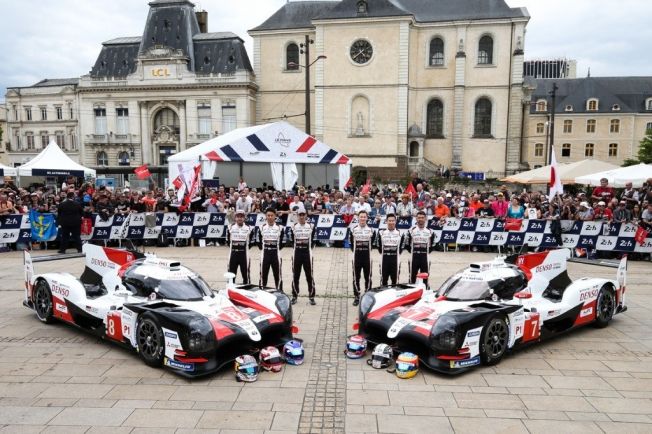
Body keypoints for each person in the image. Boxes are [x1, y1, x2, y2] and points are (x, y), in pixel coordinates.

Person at [287, 210, 317, 305]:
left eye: (303, 215)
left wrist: (308, 249)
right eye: (300, 215)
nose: (301, 217)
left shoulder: (311, 226)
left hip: (307, 253)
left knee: (309, 275)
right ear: (297, 216)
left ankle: (311, 296)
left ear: (306, 216)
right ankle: (294, 296)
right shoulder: (293, 227)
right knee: (296, 275)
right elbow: (291, 240)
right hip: (297, 253)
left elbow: (313, 240)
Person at [347, 210, 376, 306]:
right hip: (357, 256)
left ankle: (367, 298)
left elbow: (372, 244)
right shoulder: (353, 229)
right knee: (356, 277)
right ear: (358, 218)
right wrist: (356, 251)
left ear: (367, 218)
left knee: (368, 277)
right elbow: (351, 244)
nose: (363, 218)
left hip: (367, 256)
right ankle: (357, 296)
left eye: (364, 217)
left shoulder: (371, 230)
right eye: (361, 217)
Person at [256, 208, 284, 290]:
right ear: (266, 216)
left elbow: (283, 241)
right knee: (263, 275)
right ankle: (261, 293)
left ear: (275, 216)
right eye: (268, 215)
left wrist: (276, 248)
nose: (270, 217)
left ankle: (279, 293)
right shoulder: (261, 227)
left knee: (277, 275)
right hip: (265, 254)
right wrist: (265, 248)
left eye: (272, 215)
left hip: (276, 254)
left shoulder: (280, 227)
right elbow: (258, 241)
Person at [404, 210, 434, 285]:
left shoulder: (430, 231)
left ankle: (424, 292)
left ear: (425, 219)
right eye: (419, 218)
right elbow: (407, 244)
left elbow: (432, 245)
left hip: (425, 257)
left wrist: (426, 252)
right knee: (412, 277)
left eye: (422, 218)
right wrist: (412, 252)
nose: (420, 219)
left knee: (425, 277)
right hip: (414, 256)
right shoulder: (411, 230)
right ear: (416, 219)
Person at [226, 210, 256, 284]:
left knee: (246, 276)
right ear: (235, 218)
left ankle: (247, 292)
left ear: (244, 218)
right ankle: (230, 292)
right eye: (238, 217)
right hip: (233, 254)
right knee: (231, 276)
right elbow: (227, 241)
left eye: (241, 217)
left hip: (244, 255)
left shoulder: (249, 228)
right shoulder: (230, 227)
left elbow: (252, 242)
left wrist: (244, 248)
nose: (240, 218)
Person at [376, 213, 403, 287]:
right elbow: (378, 246)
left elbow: (401, 247)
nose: (391, 222)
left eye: (393, 221)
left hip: (395, 259)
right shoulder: (381, 233)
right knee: (384, 280)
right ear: (386, 221)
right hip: (384, 259)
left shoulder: (400, 233)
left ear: (395, 221)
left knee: (395, 280)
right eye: (389, 221)